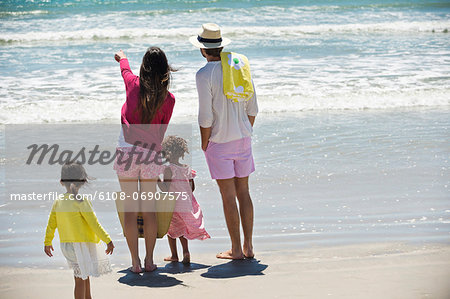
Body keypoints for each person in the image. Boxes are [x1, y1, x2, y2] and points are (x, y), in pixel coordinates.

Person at [190, 23, 258, 259]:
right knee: (244, 192)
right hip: (243, 139)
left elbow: (205, 116)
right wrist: (244, 129)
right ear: (220, 46)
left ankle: (236, 249)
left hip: (219, 142)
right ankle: (249, 247)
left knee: (228, 196)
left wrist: (204, 143)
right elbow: (253, 108)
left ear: (202, 50)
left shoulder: (203, 75)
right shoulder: (239, 67)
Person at [114, 47, 176, 273]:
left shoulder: (133, 85)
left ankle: (135, 263)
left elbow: (124, 69)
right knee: (149, 210)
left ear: (144, 68)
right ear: (165, 71)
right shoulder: (169, 99)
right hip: (151, 154)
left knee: (130, 210)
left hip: (127, 153)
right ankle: (150, 261)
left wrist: (122, 57)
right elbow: (161, 132)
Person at [44, 162, 114, 299]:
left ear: (61, 181)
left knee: (83, 275)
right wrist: (108, 240)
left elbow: (51, 224)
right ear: (82, 181)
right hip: (79, 246)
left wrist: (47, 242)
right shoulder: (81, 201)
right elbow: (94, 224)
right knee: (80, 279)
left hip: (67, 246)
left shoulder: (59, 201)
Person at [157, 135, 210, 264]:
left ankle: (174, 255)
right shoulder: (186, 168)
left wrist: (157, 180)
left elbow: (165, 189)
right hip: (185, 203)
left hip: (173, 204)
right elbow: (192, 188)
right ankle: (186, 252)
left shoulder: (169, 169)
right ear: (182, 152)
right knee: (182, 229)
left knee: (172, 230)